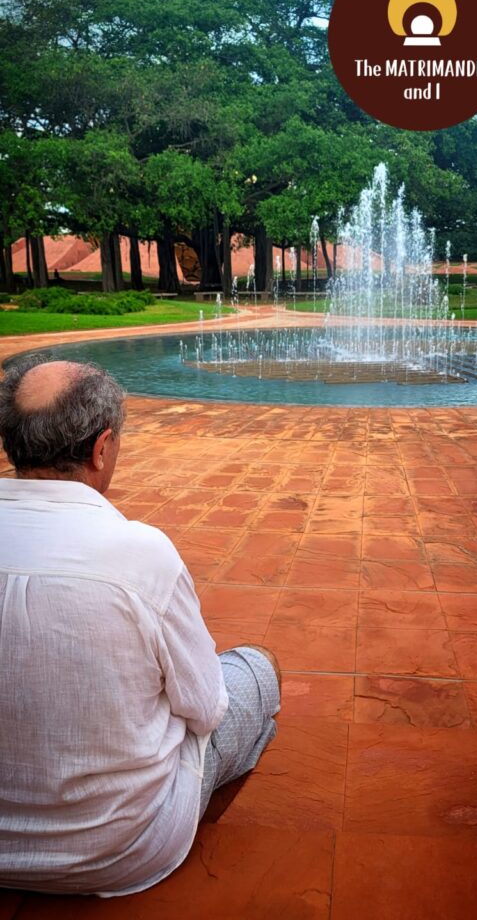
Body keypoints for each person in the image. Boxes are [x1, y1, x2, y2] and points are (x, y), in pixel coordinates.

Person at [0, 357, 280, 896]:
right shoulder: (140, 555)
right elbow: (206, 707)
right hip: (117, 850)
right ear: (102, 448)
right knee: (257, 668)